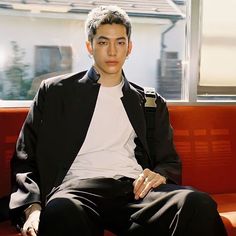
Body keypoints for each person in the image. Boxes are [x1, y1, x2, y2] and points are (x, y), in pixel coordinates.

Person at [9, 5, 227, 236]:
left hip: (133, 191)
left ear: (129, 47)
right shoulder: (55, 93)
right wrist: (32, 210)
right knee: (61, 211)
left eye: (120, 42)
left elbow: (168, 161)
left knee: (197, 203)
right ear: (89, 47)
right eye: (103, 42)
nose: (112, 51)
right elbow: (25, 159)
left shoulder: (149, 102)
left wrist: (159, 174)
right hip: (75, 191)